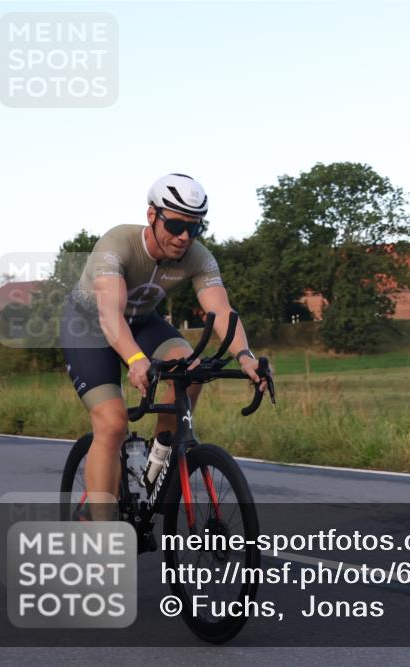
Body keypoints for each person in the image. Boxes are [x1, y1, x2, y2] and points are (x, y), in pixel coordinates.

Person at [61, 173, 265, 516]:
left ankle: (159, 457)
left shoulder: (198, 257)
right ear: (152, 216)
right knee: (112, 423)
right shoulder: (117, 244)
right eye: (175, 225)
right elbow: (110, 315)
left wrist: (246, 356)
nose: (184, 236)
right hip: (90, 326)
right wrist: (136, 359)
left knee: (193, 368)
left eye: (195, 228)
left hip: (142, 322)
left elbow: (222, 310)